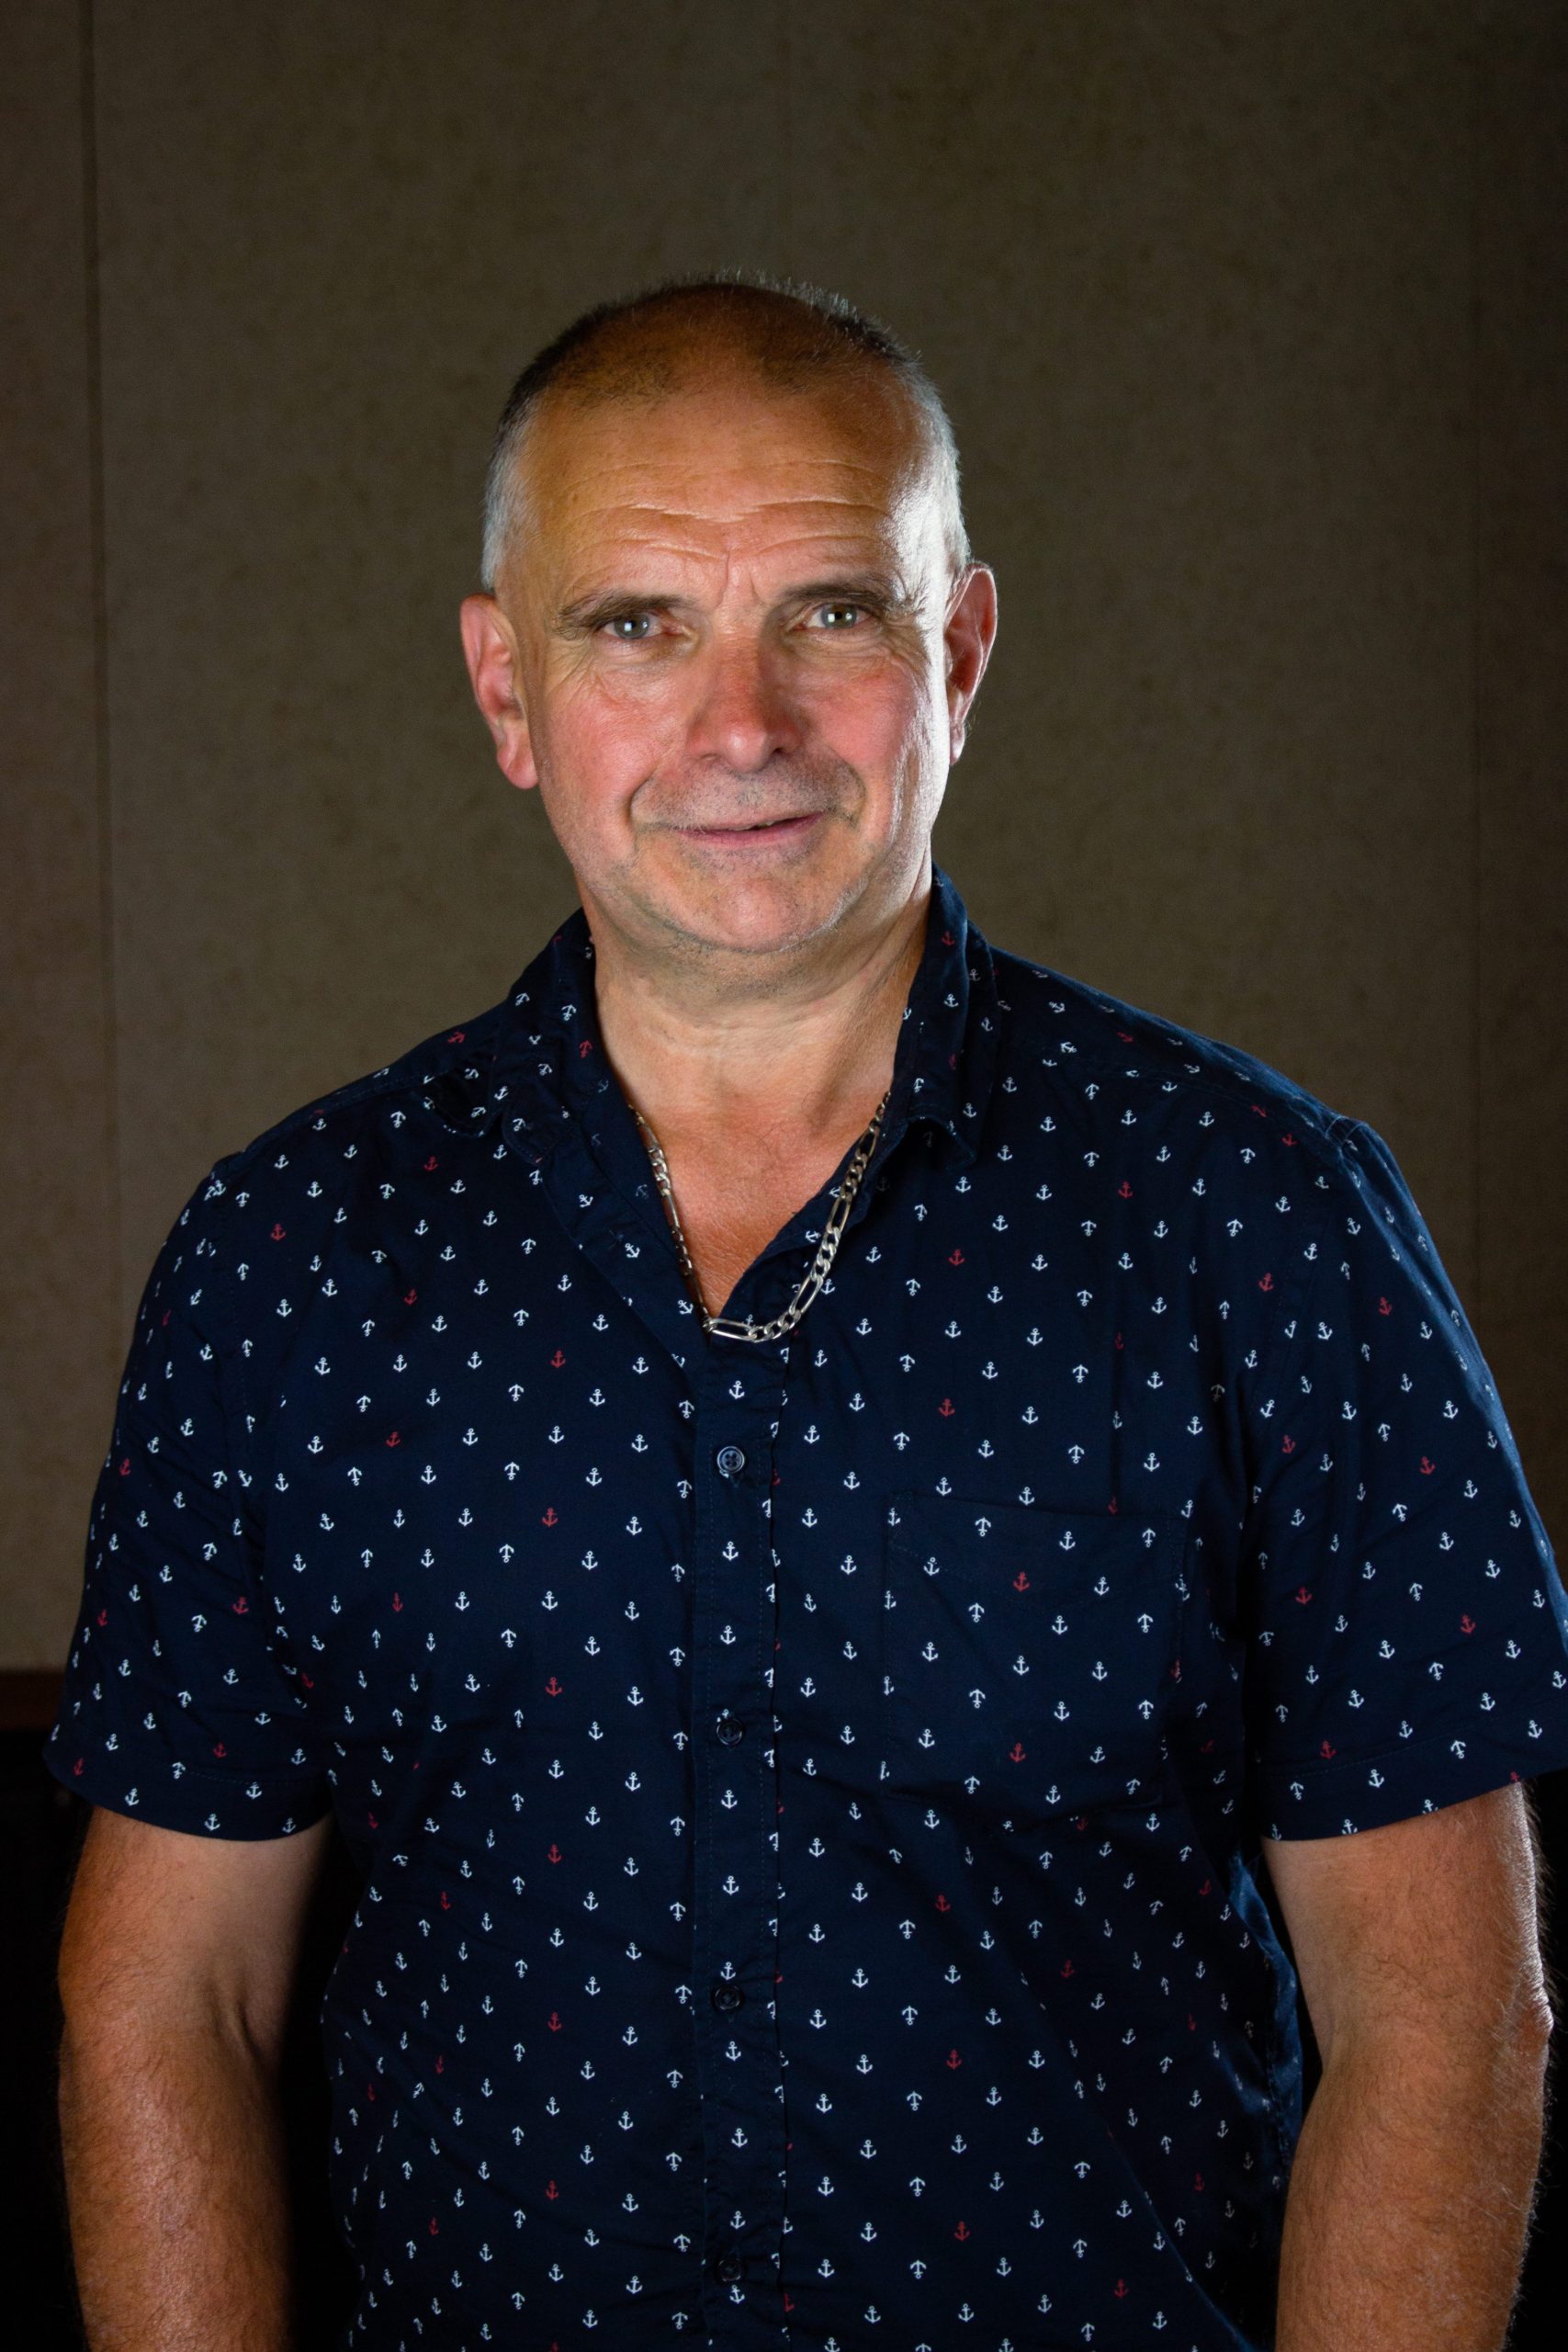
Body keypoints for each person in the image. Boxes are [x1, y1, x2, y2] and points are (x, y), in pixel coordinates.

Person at [46, 272, 1566, 2352]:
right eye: (637, 625)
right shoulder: (288, 1263)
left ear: (960, 653)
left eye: (831, 612)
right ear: (505, 689)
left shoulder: (1263, 1224)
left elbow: (1445, 2020)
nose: (741, 725)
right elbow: (167, 1995)